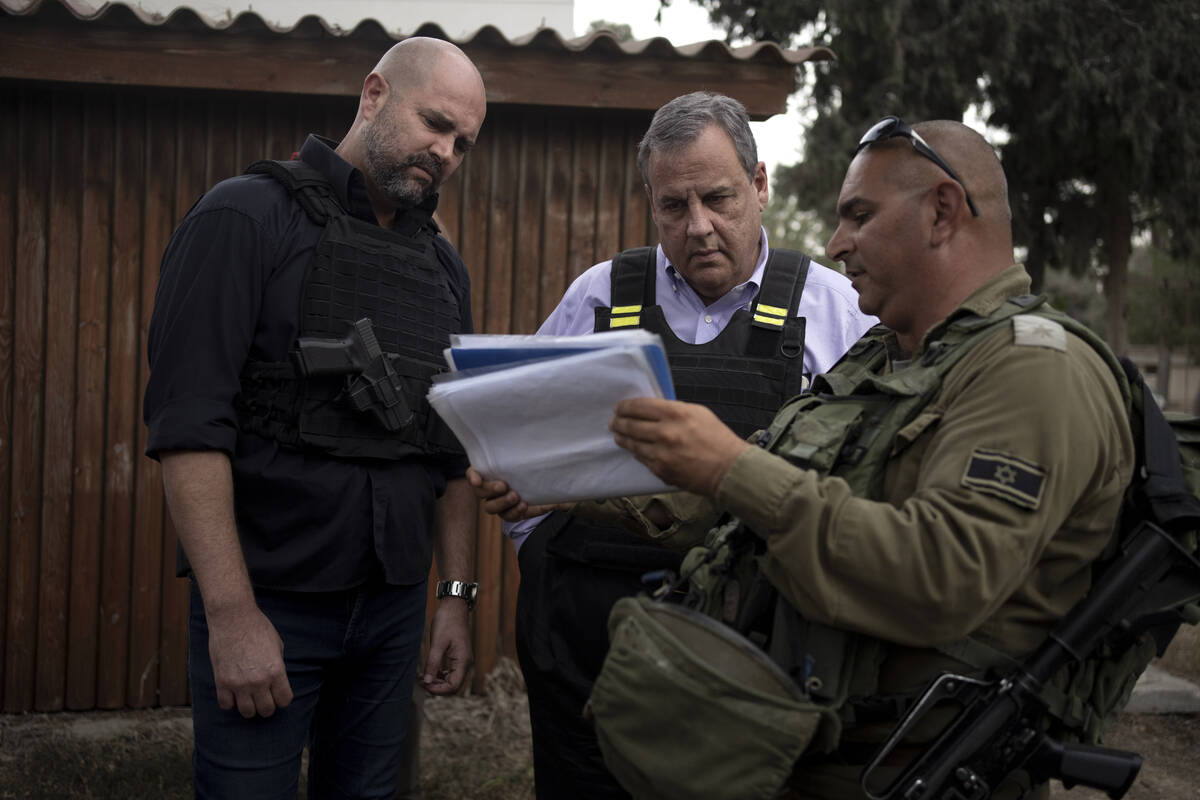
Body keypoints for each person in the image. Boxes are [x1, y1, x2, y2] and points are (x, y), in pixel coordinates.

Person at [476, 117, 1134, 799]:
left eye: (859, 215)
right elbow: (750, 499)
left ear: (942, 211)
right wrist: (578, 491)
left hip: (914, 765)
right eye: (674, 204)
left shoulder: (1030, 370)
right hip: (814, 745)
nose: (835, 242)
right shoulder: (895, 358)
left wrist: (731, 465)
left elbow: (943, 574)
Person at [500, 91, 875, 799]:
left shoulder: (836, 309)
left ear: (760, 186)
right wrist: (541, 549)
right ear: (650, 202)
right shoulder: (600, 296)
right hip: (586, 637)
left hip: (746, 649)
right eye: (674, 206)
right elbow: (513, 438)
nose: (698, 226)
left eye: (718, 198)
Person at [143, 38, 487, 800]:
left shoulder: (441, 266)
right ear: (374, 95)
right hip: (271, 602)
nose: (446, 151)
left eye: (463, 142)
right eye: (434, 123)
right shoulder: (242, 217)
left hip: (392, 611)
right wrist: (231, 615)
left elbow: (452, 447)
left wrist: (455, 599)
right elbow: (187, 430)